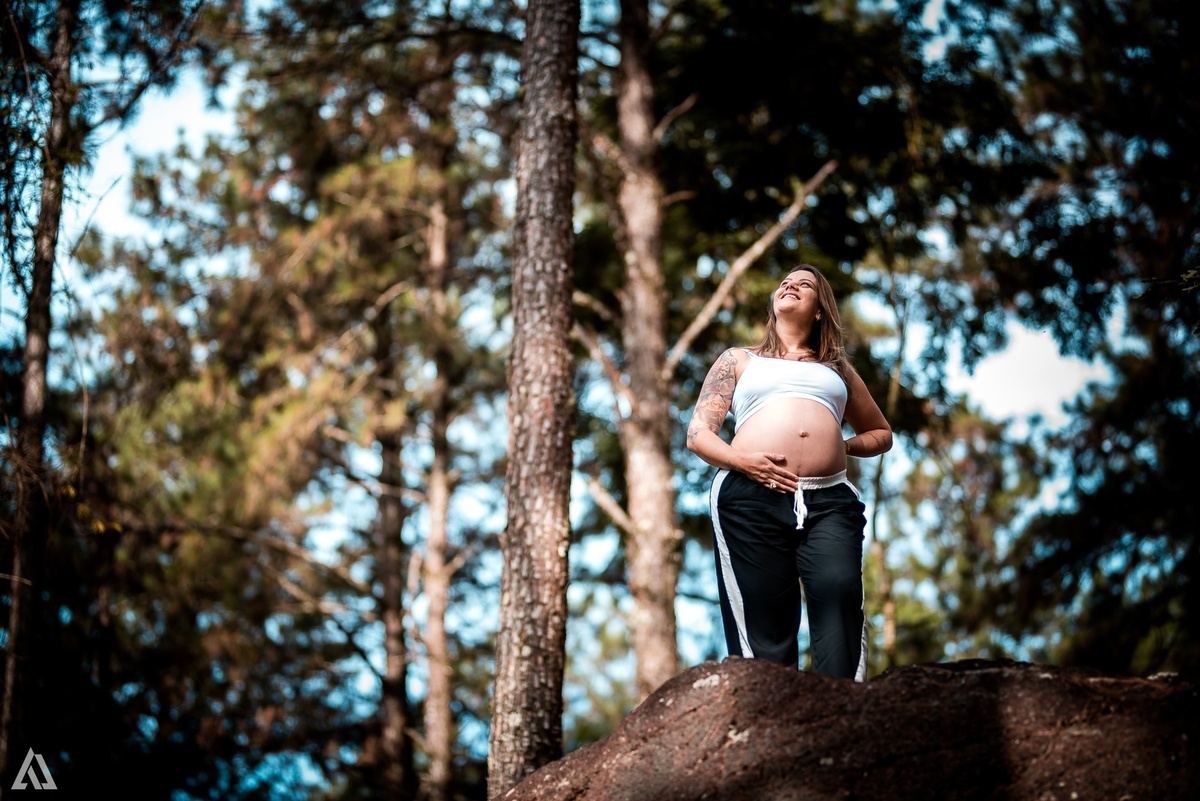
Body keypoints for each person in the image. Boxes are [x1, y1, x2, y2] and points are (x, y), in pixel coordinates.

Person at [686, 264, 892, 681]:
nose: (790, 285)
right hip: (749, 495)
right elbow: (697, 434)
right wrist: (743, 462)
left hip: (828, 499)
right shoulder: (739, 360)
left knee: (840, 592)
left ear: (819, 310)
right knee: (766, 618)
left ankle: (843, 704)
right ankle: (768, 710)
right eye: (785, 282)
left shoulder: (837, 370)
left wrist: (839, 446)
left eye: (804, 284)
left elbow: (882, 434)